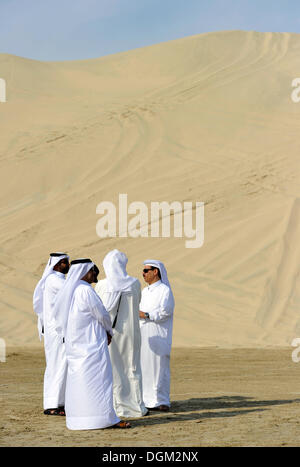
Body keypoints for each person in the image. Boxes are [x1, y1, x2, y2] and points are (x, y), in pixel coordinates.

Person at [53, 258, 131, 430]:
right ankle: (106, 419)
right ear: (84, 272)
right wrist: (109, 331)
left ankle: (80, 420)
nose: (94, 274)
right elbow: (102, 314)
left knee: (80, 382)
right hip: (91, 344)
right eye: (92, 270)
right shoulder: (85, 291)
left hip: (75, 346)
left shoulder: (71, 290)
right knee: (100, 380)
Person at [95, 249, 148, 418]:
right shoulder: (134, 283)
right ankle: (137, 405)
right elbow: (138, 302)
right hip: (131, 332)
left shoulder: (102, 285)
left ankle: (116, 405)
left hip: (109, 333)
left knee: (113, 368)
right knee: (132, 367)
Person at [33, 252, 70, 416]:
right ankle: (52, 404)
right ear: (56, 265)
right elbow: (70, 293)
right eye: (64, 262)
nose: (67, 265)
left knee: (62, 365)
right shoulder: (55, 280)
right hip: (56, 331)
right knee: (57, 365)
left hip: (59, 331)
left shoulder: (58, 280)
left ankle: (59, 402)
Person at [139, 259, 175, 412]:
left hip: (159, 334)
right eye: (143, 271)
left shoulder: (164, 290)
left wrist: (146, 315)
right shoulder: (144, 291)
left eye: (146, 270)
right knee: (144, 367)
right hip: (144, 335)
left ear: (155, 272)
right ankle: (146, 400)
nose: (143, 274)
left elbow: (165, 312)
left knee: (159, 368)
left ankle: (161, 401)